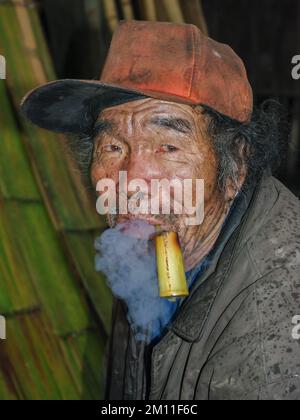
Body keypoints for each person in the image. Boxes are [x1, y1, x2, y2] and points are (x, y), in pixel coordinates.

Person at [21, 20, 300, 400]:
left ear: (235, 165)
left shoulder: (278, 317)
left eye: (167, 147)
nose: (132, 182)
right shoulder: (150, 250)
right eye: (113, 147)